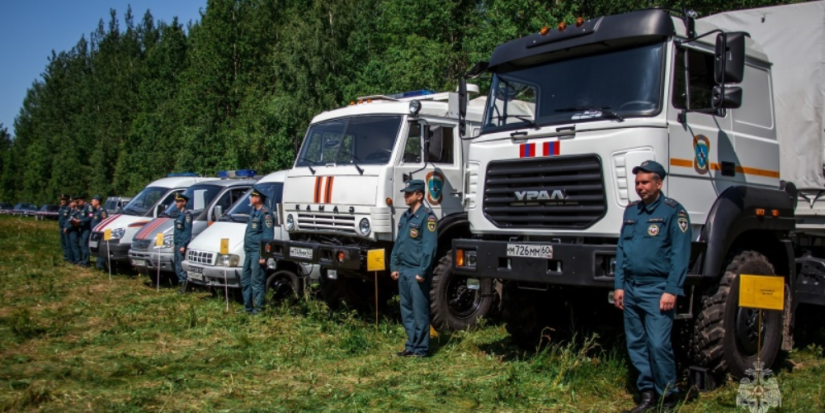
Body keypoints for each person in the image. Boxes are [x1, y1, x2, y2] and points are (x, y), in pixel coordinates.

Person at [614, 160, 691, 413]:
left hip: (658, 290)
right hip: (632, 289)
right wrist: (619, 286)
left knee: (658, 344)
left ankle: (667, 398)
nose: (640, 187)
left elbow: (680, 254)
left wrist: (672, 290)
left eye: (645, 182)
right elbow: (622, 250)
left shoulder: (673, 212)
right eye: (637, 182)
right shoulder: (631, 212)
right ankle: (646, 395)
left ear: (659, 183)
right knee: (636, 343)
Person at [390, 179, 438, 357]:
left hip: (417, 271)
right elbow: (399, 243)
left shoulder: (428, 217)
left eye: (409, 193)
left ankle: (421, 349)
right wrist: (394, 265)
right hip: (403, 270)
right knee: (407, 311)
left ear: (419, 195)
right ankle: (411, 345)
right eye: (405, 192)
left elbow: (429, 247)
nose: (405, 195)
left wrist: (423, 271)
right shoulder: (405, 217)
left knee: (420, 312)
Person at [240, 186, 275, 314]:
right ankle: (248, 308)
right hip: (249, 251)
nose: (250, 198)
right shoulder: (253, 211)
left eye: (252, 196)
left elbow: (268, 236)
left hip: (257, 252)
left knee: (257, 282)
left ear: (258, 198)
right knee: (245, 280)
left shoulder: (266, 214)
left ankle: (258, 310)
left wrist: (263, 255)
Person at [172, 193, 193, 293]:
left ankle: (184, 287)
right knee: (177, 266)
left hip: (181, 244)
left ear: (183, 202)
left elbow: (187, 231)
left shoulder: (187, 215)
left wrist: (183, 245)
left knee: (181, 267)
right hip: (177, 243)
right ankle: (181, 285)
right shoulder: (179, 214)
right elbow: (177, 231)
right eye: (176, 201)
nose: (176, 203)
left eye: (178, 201)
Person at [89, 195, 108, 270]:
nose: (91, 202)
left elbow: (104, 222)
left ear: (97, 201)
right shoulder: (95, 211)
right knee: (95, 248)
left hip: (100, 234)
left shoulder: (102, 211)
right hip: (94, 233)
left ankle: (101, 265)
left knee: (100, 248)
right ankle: (98, 264)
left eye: (93, 200)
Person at [75, 195, 94, 266]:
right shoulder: (80, 208)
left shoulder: (88, 207)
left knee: (84, 245)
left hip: (86, 228)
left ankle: (86, 262)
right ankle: (83, 260)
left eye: (78, 201)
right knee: (81, 244)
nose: (78, 203)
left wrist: (80, 221)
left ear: (82, 200)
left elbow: (90, 218)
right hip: (81, 228)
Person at [65, 197, 82, 264]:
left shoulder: (78, 211)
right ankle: (71, 259)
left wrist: (68, 227)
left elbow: (75, 222)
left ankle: (77, 260)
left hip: (74, 230)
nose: (71, 203)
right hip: (69, 230)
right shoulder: (71, 211)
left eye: (72, 202)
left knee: (75, 246)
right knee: (70, 245)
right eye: (70, 202)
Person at [57, 194, 71, 262]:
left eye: (64, 200)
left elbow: (69, 218)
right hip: (61, 227)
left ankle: (69, 257)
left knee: (67, 243)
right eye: (62, 200)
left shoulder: (69, 208)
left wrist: (67, 226)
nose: (63, 201)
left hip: (66, 228)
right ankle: (65, 256)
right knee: (63, 243)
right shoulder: (60, 208)